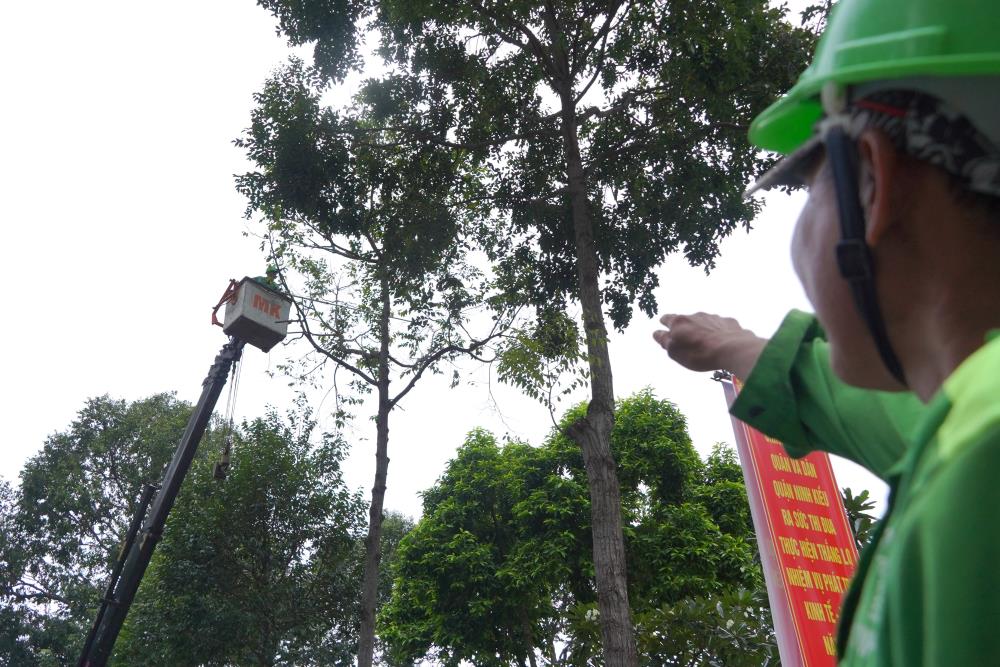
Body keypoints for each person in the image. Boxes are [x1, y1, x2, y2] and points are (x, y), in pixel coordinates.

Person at [654, 1, 1000, 664]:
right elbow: (881, 412)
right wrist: (737, 347)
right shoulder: (959, 418)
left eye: (810, 188)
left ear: (875, 181)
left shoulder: (982, 461)